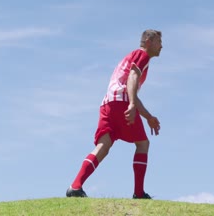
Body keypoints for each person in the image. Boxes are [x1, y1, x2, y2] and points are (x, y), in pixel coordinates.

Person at [66, 29, 163, 199]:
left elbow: (127, 87)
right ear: (148, 40)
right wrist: (132, 103)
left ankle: (75, 186)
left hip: (107, 103)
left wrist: (148, 116)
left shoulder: (128, 57)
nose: (161, 46)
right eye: (158, 42)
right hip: (122, 102)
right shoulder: (142, 55)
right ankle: (139, 193)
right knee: (143, 144)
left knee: (103, 146)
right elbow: (132, 79)